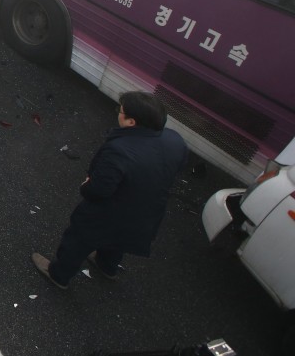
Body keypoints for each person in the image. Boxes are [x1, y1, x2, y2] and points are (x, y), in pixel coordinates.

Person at [32, 91, 188, 289]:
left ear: (131, 122)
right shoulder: (175, 141)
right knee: (119, 241)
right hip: (145, 214)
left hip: (109, 213)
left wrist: (86, 185)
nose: (118, 113)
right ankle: (106, 265)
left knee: (79, 240)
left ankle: (59, 274)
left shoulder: (120, 150)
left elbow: (99, 189)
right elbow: (177, 167)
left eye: (120, 111)